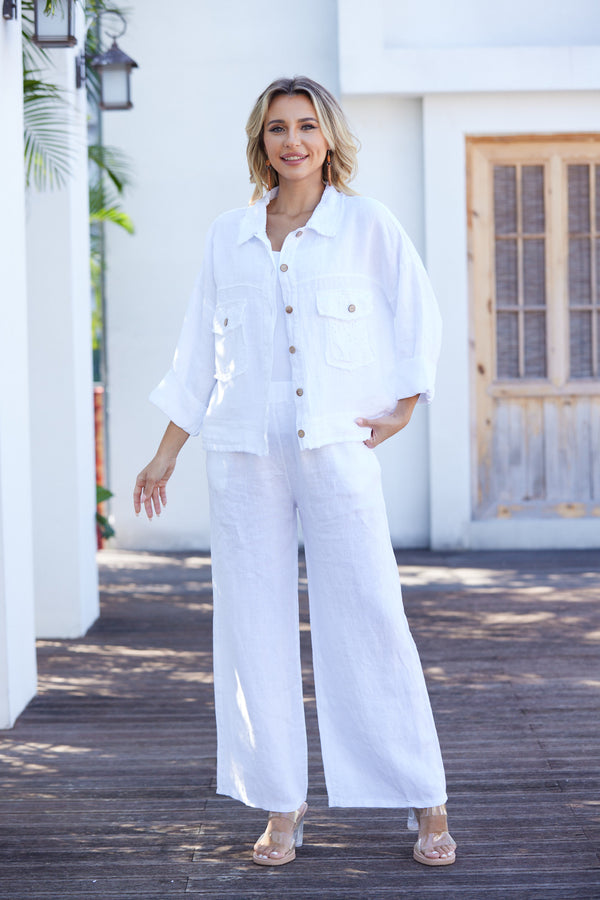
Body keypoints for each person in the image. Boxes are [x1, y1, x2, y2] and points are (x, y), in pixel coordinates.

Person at [133, 76, 456, 869]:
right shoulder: (227, 237)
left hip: (336, 447)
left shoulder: (366, 226)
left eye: (306, 126)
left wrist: (406, 402)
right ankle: (283, 803)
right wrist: (166, 449)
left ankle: (426, 797)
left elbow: (418, 313)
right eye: (277, 127)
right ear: (261, 141)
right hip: (244, 454)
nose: (292, 140)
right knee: (254, 626)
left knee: (370, 613)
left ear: (327, 137)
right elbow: (197, 353)